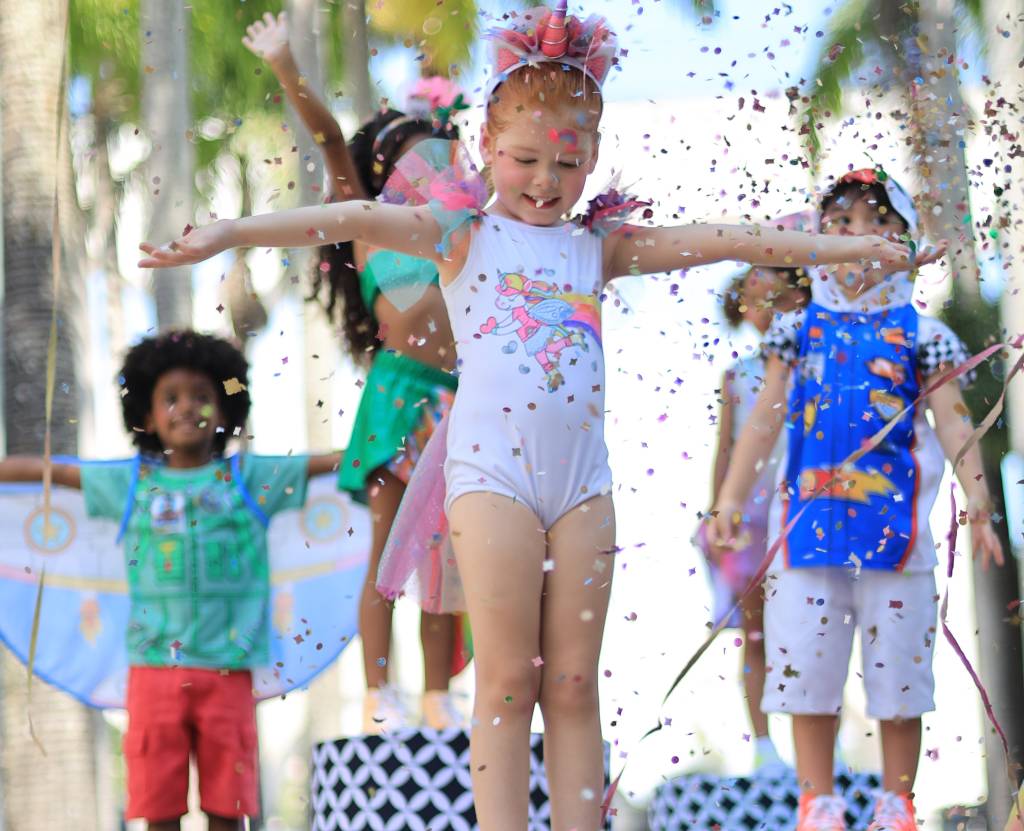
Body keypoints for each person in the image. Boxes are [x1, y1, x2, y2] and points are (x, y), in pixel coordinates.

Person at [139, 4, 933, 825]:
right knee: (509, 677)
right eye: (524, 159)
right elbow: (343, 217)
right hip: (493, 480)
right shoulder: (459, 235)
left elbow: (729, 239)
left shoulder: (599, 246)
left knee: (574, 683)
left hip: (584, 486)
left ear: (592, 156)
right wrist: (228, 232)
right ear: (487, 143)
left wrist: (855, 250)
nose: (546, 181)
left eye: (568, 160)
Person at [710, 168, 1004, 831]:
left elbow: (956, 421)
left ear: (905, 242)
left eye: (878, 224)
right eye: (840, 225)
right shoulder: (798, 331)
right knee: (806, 670)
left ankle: (896, 802)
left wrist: (979, 505)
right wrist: (730, 497)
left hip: (896, 538)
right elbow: (762, 421)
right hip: (808, 534)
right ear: (819, 242)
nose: (859, 239)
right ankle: (817, 799)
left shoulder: (920, 335)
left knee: (899, 675)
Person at [0, 331, 341, 831]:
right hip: (154, 675)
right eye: (171, 398)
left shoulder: (250, 479)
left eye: (203, 396)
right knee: (158, 810)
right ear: (147, 415)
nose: (188, 408)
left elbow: (334, 463)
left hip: (229, 674)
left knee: (231, 811)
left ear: (226, 412)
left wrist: (393, 443)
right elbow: (51, 472)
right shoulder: (131, 482)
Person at [243, 11, 465, 732]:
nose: (435, 170)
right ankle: (379, 691)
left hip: (458, 403)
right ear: (383, 174)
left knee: (446, 556)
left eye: (444, 159)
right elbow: (333, 139)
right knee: (388, 549)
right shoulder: (369, 220)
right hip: (398, 394)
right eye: (418, 161)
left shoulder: (465, 230)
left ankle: (438, 696)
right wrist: (283, 66)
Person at [703, 265, 810, 775]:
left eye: (777, 295)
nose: (767, 307)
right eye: (755, 299)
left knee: (815, 619)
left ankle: (816, 736)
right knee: (757, 628)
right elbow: (726, 447)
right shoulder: (737, 375)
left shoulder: (813, 363)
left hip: (805, 502)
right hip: (753, 514)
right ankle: (765, 743)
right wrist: (718, 511)